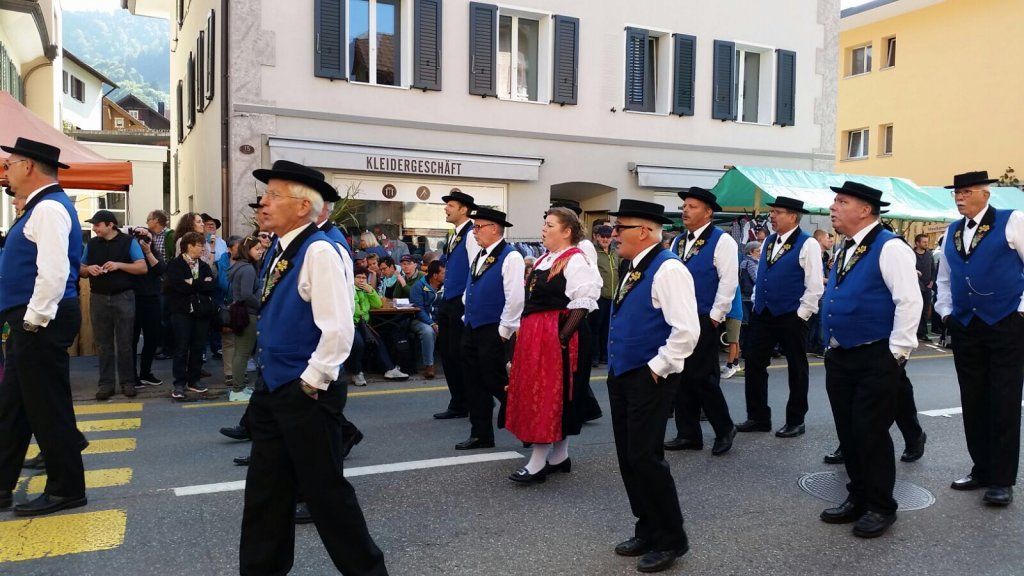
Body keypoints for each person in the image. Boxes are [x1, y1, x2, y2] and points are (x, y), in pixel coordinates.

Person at [239, 160, 388, 575]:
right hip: (275, 389)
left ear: (303, 207)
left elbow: (338, 329)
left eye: (273, 195)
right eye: (265, 195)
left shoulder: (319, 250)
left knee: (326, 495)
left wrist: (310, 382)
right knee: (265, 493)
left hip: (304, 392)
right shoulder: (279, 247)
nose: (263, 203)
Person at [818, 181, 921, 538]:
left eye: (841, 201)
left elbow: (909, 301)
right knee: (848, 432)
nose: (833, 207)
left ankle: (881, 506)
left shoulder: (889, 247)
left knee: (870, 432)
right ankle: (857, 496)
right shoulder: (847, 246)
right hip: (842, 353)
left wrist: (897, 353)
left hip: (876, 354)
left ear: (865, 209)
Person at [605, 199, 698, 573]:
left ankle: (671, 538)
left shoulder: (668, 269)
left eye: (620, 228)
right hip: (623, 374)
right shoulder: (635, 266)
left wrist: (657, 368)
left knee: (646, 458)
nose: (613, 235)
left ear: (643, 232)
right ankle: (646, 527)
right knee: (629, 456)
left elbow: (687, 330)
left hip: (648, 376)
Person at [0, 138, 88, 517]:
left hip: (41, 319)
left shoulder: (49, 208)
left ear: (29, 166)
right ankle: (2, 485)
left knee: (46, 407)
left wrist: (33, 320)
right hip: (34, 318)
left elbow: (54, 271)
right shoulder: (41, 207)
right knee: (14, 406)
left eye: (10, 163)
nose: (6, 170)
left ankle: (67, 488)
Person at [936, 170, 1024, 507]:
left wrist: (1020, 310)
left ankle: (1002, 480)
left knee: (1003, 401)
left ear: (985, 194)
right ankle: (981, 468)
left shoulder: (1011, 220)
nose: (959, 197)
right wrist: (944, 310)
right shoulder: (952, 230)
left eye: (966, 191)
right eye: (956, 193)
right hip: (966, 324)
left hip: (1005, 323)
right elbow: (945, 277)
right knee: (973, 400)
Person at [506, 207, 600, 482]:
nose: (544, 229)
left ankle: (538, 462)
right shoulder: (544, 259)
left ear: (567, 231)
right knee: (548, 393)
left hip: (559, 336)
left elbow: (583, 303)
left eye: (550, 224)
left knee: (550, 395)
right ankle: (560, 456)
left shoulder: (576, 260)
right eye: (544, 223)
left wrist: (560, 339)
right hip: (539, 335)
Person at [739, 196, 823, 438]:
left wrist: (801, 315)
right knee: (754, 363)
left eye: (777, 212)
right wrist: (757, 301)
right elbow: (764, 274)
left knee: (797, 368)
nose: (772, 216)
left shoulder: (807, 244)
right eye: (772, 212)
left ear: (793, 216)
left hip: (791, 314)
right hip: (763, 313)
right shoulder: (768, 242)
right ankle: (757, 417)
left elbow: (815, 285)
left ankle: (796, 420)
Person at [664, 187, 737, 455]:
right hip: (679, 317)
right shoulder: (678, 241)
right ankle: (688, 433)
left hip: (705, 316)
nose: (685, 210)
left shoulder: (722, 240)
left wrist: (716, 316)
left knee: (703, 377)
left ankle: (724, 427)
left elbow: (729, 281)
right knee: (681, 375)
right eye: (684, 206)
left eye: (692, 206)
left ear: (708, 212)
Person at [455, 207, 525, 451]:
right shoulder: (480, 254)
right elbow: (471, 287)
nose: (474, 232)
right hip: (472, 326)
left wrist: (503, 331)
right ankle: (480, 433)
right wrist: (467, 311)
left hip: (493, 329)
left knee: (497, 382)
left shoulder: (511, 256)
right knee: (473, 382)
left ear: (494, 228)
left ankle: (527, 426)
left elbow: (515, 298)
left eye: (478, 227)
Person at [80, 210, 148, 400]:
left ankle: (128, 382)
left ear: (110, 225)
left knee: (125, 343)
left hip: (123, 296)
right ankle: (106, 384)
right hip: (99, 297)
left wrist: (119, 265)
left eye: (97, 225)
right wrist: (88, 269)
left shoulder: (128, 242)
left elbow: (142, 267)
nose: (94, 228)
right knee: (103, 344)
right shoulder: (92, 244)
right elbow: (81, 268)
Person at [433, 190, 480, 419]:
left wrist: (466, 301)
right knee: (449, 354)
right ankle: (459, 401)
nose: (446, 208)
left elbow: (475, 269)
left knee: (461, 354)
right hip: (448, 299)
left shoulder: (471, 234)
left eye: (450, 205)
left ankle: (470, 401)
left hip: (460, 302)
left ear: (463, 209)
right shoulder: (454, 235)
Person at [164, 232, 216, 399]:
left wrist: (192, 282)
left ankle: (194, 380)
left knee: (198, 347)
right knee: (181, 347)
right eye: (200, 245)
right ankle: (179, 383)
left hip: (201, 313)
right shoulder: (175, 264)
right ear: (189, 245)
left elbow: (212, 285)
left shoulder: (204, 265)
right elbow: (177, 286)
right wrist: (199, 284)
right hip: (181, 312)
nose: (203, 248)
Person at [347, 267, 409, 385]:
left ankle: (389, 369)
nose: (361, 280)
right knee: (358, 343)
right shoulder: (349, 290)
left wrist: (371, 291)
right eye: (358, 277)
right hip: (352, 324)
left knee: (377, 340)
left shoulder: (366, 290)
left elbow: (378, 304)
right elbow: (355, 309)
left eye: (364, 278)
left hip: (364, 325)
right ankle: (357, 373)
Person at [131, 222, 167, 388]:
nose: (143, 240)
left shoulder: (154, 253)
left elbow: (160, 270)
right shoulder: (129, 251)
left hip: (152, 299)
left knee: (152, 337)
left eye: (147, 237)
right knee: (131, 339)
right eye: (140, 236)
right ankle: (132, 376)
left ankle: (145, 372)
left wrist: (148, 251)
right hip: (133, 299)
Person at [226, 236, 263, 394]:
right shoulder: (247, 269)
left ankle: (238, 387)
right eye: (257, 249)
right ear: (248, 250)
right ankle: (238, 389)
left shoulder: (240, 266)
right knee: (243, 352)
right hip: (248, 314)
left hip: (241, 312)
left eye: (261, 248)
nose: (260, 251)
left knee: (240, 351)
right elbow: (247, 295)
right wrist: (261, 306)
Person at [409, 261, 444, 379]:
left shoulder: (446, 286)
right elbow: (419, 310)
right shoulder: (418, 287)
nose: (446, 276)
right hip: (420, 320)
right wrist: (432, 323)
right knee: (428, 331)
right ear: (435, 275)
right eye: (443, 273)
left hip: (439, 320)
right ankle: (429, 365)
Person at [590, 225, 618, 367]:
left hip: (612, 297)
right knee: (595, 328)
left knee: (607, 329)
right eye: (603, 236)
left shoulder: (615, 252)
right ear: (597, 237)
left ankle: (604, 356)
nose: (605, 239)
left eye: (608, 237)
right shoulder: (593, 253)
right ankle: (594, 357)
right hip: (599, 297)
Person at [807, 229, 834, 357]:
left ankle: (813, 345)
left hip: (820, 290)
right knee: (821, 319)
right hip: (816, 291)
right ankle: (821, 346)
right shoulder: (814, 254)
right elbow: (815, 276)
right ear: (820, 239)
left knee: (815, 320)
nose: (831, 241)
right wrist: (831, 280)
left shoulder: (823, 255)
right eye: (828, 237)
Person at [913, 233, 935, 342]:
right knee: (915, 310)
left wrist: (932, 281)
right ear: (917, 243)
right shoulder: (911, 254)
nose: (926, 243)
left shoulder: (930, 254)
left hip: (927, 287)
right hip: (915, 287)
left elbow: (933, 269)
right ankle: (914, 333)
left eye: (927, 241)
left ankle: (923, 333)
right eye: (924, 242)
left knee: (925, 310)